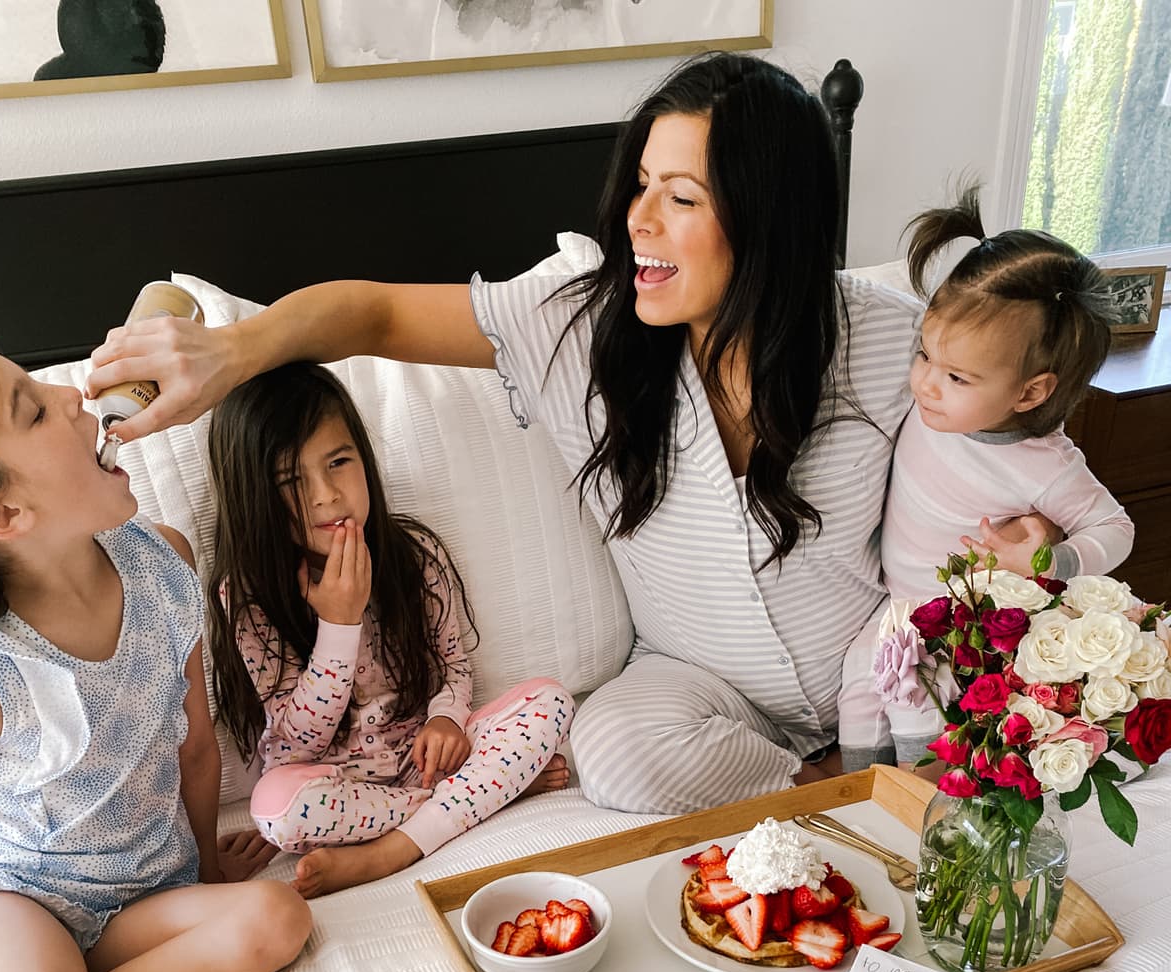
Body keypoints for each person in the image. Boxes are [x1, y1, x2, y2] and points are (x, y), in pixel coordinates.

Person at [89, 52, 977, 816]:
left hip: (880, 663)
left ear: (770, 221)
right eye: (638, 188)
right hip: (701, 692)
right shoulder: (580, 330)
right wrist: (231, 352)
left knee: (986, 718)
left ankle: (879, 773)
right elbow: (373, 314)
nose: (638, 221)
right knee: (615, 752)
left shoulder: (894, 342)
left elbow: (999, 464)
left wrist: (1030, 542)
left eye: (679, 198)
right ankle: (821, 786)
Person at [0, 343, 312, 972]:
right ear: (0, 514)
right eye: (32, 407)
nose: (70, 396)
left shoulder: (163, 565)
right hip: (17, 900)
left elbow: (194, 744)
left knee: (277, 918)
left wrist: (201, 873)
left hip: (141, 896)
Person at [207, 362, 574, 898]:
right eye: (291, 482)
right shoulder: (248, 597)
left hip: (429, 761)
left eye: (338, 462)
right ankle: (479, 798)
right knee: (275, 810)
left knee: (551, 700)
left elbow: (452, 663)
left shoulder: (413, 557)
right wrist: (339, 623)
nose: (326, 495)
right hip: (335, 787)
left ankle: (393, 850)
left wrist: (447, 718)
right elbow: (299, 739)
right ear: (253, 496)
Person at [837, 187, 1133, 770]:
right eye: (924, 355)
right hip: (896, 602)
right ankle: (855, 792)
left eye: (956, 376)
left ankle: (920, 796)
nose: (925, 383)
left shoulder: (1046, 465)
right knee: (857, 691)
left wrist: (1049, 561)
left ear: (1029, 392)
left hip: (957, 624)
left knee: (917, 709)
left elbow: (1115, 528)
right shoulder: (926, 405)